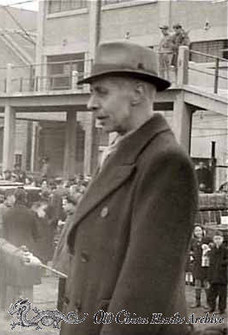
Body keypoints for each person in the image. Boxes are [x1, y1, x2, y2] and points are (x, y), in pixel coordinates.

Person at [60, 42, 198, 335]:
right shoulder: (122, 151)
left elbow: (144, 292)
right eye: (91, 92)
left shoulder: (165, 162)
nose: (91, 104)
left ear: (137, 92)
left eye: (102, 92)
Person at [2, 188, 41, 306]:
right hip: (27, 250)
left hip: (11, 250)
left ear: (14, 198)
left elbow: (4, 234)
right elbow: (37, 234)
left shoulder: (7, 214)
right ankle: (28, 313)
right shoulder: (31, 214)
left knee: (11, 282)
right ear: (25, 198)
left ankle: (9, 311)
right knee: (27, 283)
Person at [0, 188, 16, 309]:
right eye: (12, 197)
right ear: (7, 198)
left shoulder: (13, 209)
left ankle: (12, 301)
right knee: (4, 275)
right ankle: (3, 302)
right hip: (3, 245)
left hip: (13, 245)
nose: (14, 200)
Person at [189, 225, 210, 309]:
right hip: (197, 265)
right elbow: (190, 250)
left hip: (205, 265)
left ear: (202, 231)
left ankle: (209, 302)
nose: (198, 232)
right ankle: (197, 301)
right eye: (196, 231)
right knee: (197, 283)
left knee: (206, 284)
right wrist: (191, 256)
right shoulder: (192, 241)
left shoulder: (207, 239)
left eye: (199, 230)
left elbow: (212, 247)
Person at [207, 233, 227, 314]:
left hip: (222, 276)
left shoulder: (225, 250)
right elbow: (210, 263)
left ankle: (221, 309)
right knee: (211, 294)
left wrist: (222, 263)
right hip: (213, 275)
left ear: (222, 239)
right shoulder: (212, 250)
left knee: (222, 294)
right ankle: (211, 307)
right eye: (216, 239)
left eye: (219, 239)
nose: (217, 241)